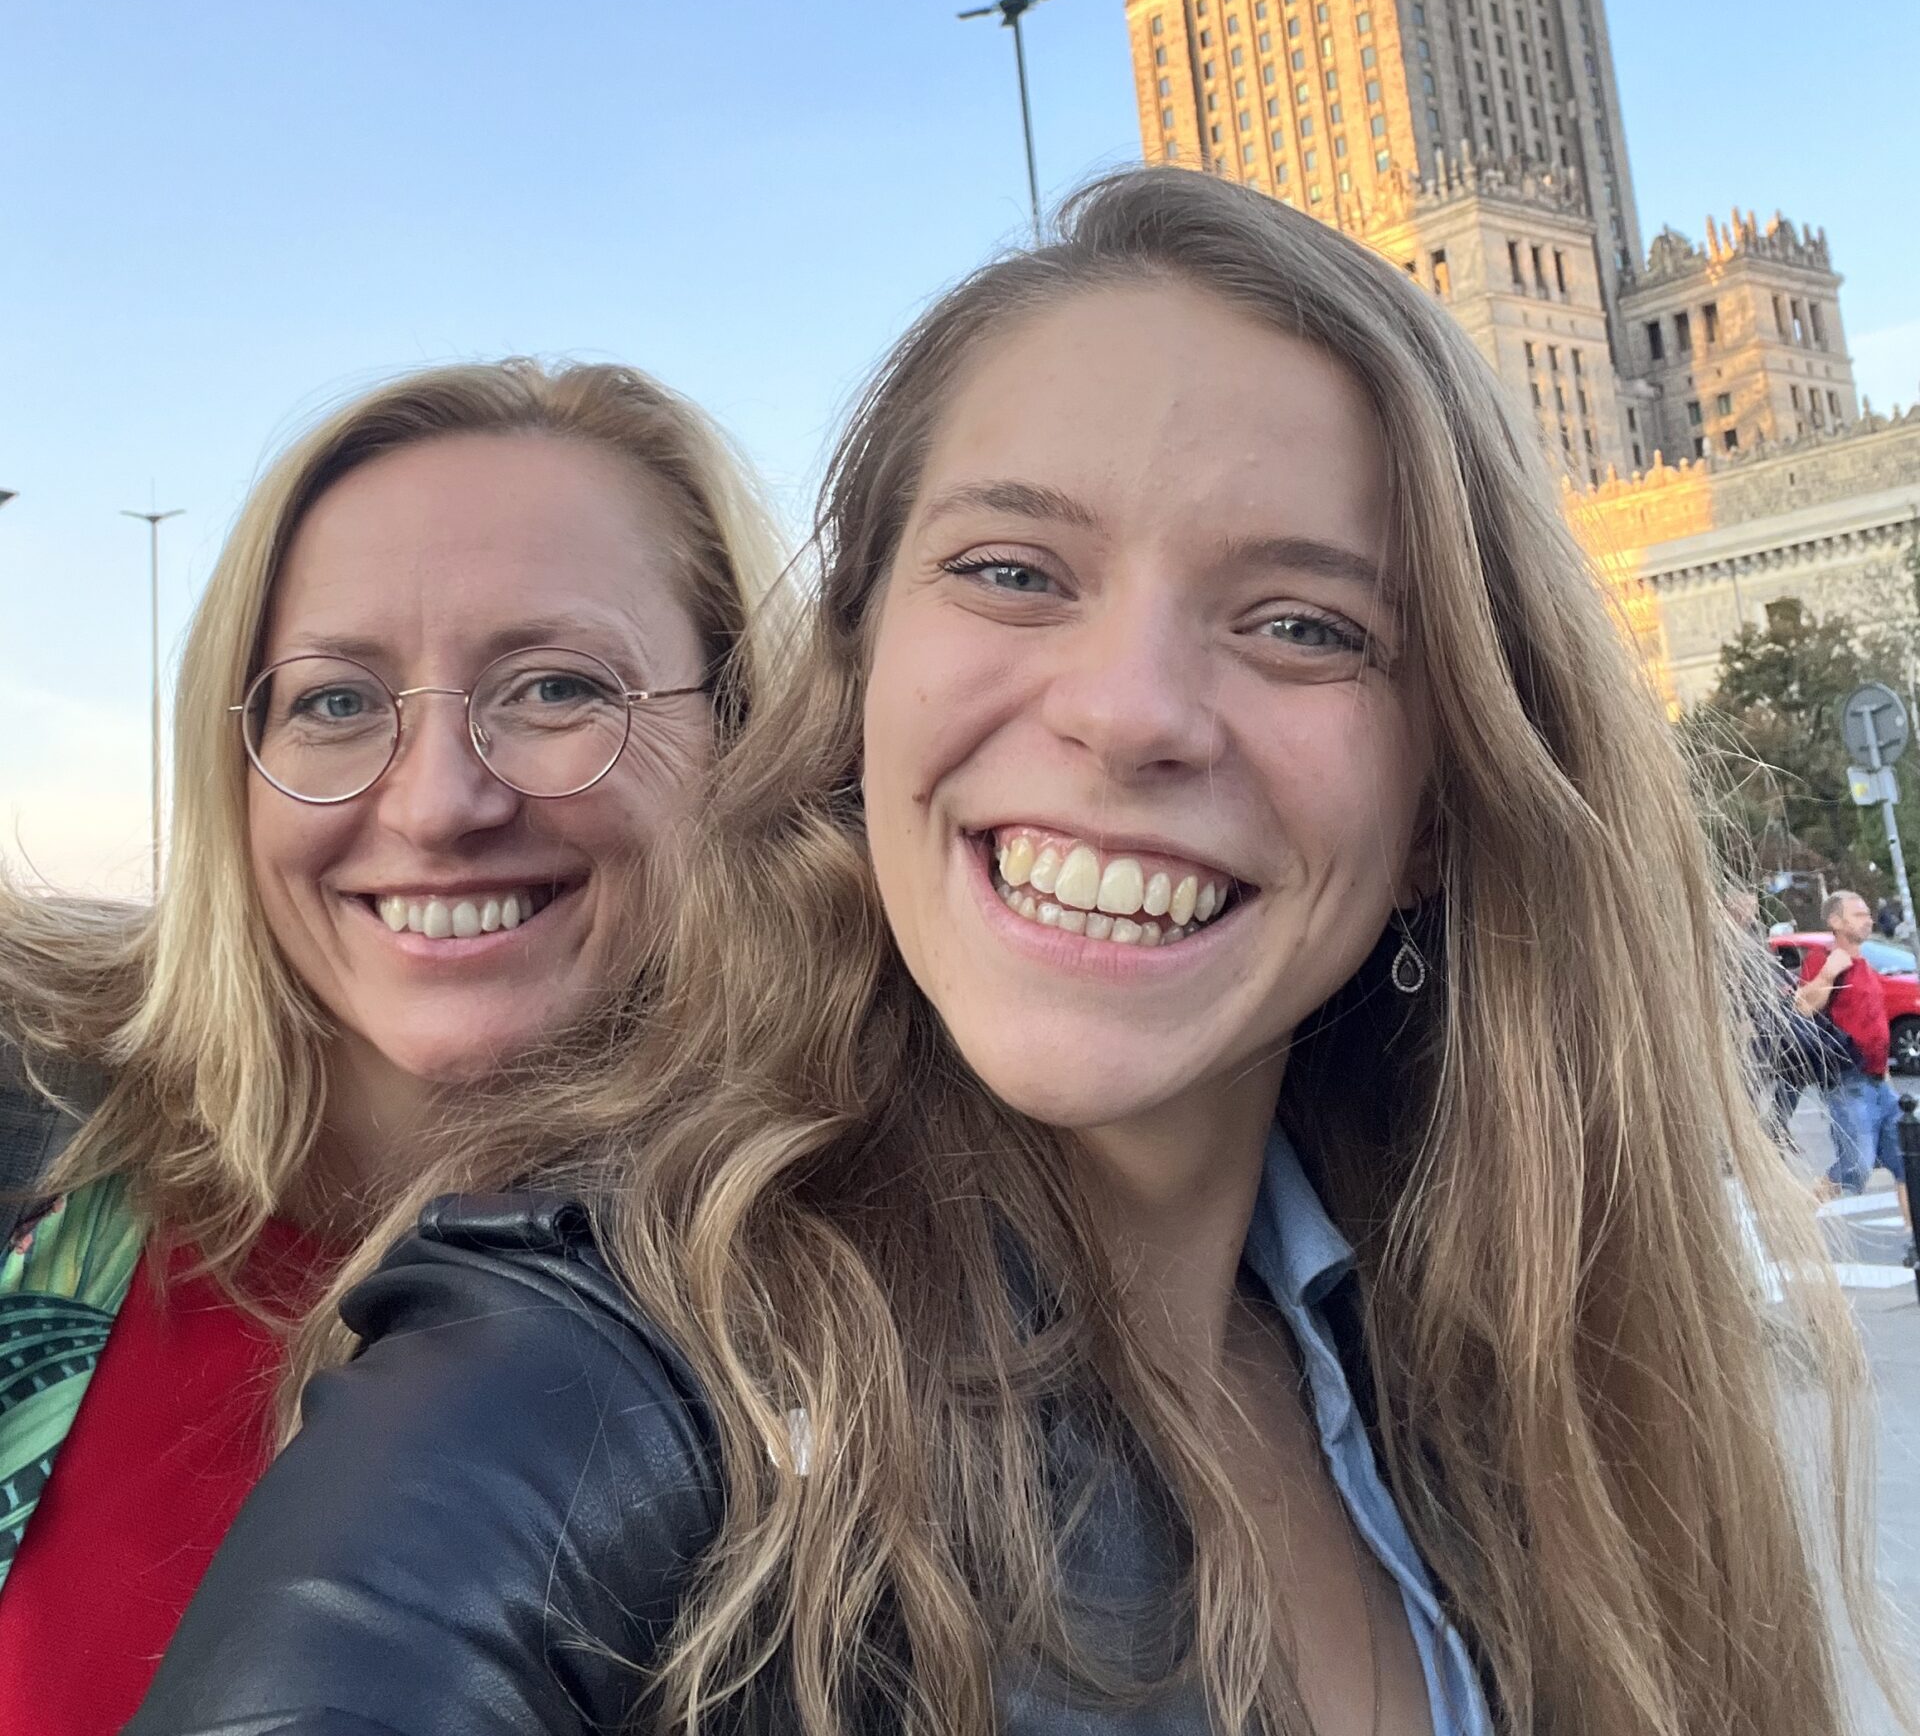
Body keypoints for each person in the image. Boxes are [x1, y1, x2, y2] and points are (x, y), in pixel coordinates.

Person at [135, 172, 1879, 1736]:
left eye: (1304, 623)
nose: (1128, 713)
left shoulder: (1501, 1380)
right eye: (1016, 572)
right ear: (853, 680)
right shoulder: (607, 1382)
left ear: (1440, 796)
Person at [0, 357, 785, 1736]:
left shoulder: (861, 1322)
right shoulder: (45, 1158)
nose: (434, 805)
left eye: (556, 687)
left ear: (747, 737)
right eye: (336, 701)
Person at [1796, 888, 1914, 1252]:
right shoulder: (1824, 959)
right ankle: (1796, 1214)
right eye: (1859, 914)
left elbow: (1875, 1026)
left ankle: (1915, 1240)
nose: (1868, 920)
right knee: (1856, 1167)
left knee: (1909, 1163)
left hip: (1879, 1084)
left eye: (1867, 914)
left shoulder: (1864, 966)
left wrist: (1888, 1081)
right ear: (1836, 921)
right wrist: (1829, 973)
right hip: (1848, 1083)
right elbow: (1803, 1006)